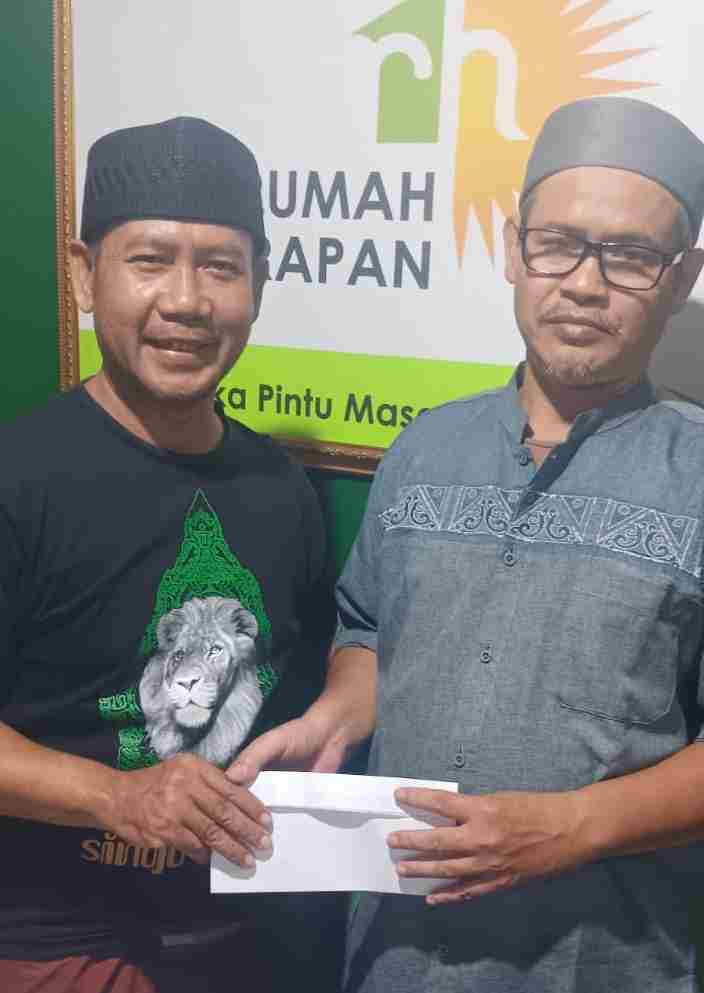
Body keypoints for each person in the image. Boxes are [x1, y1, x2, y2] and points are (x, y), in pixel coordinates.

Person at [235, 97, 704, 992]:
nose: (585, 283)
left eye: (631, 255)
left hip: (597, 965)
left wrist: (573, 827)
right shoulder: (424, 447)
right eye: (558, 243)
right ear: (513, 249)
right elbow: (370, 631)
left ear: (682, 279)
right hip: (392, 957)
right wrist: (338, 714)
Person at [0, 116, 341, 992]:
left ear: (258, 284)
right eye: (150, 260)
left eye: (221, 266)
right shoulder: (19, 477)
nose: (186, 300)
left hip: (251, 933)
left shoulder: (283, 489)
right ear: (84, 274)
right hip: (58, 942)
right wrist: (114, 795)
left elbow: (308, 688)